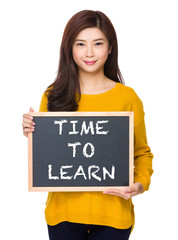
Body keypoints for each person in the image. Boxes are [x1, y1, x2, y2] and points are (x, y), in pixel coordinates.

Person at [22, 10, 153, 240]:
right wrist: (34, 133)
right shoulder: (53, 95)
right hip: (63, 216)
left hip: (113, 217)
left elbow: (141, 153)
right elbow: (51, 156)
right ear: (69, 48)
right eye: (80, 44)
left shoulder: (128, 98)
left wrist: (139, 185)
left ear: (110, 47)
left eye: (98, 43)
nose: (89, 53)